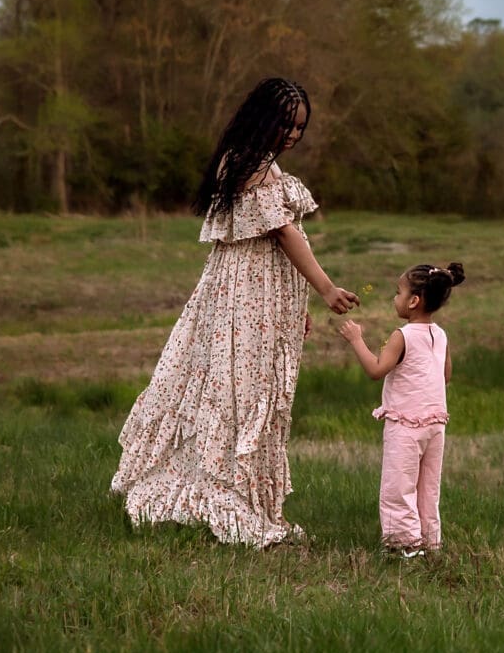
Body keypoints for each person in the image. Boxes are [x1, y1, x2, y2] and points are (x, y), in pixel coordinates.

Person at [110, 77, 359, 547]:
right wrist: (325, 289)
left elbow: (280, 242)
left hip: (263, 294)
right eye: (286, 123)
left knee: (252, 390)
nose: (293, 134)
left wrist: (294, 302)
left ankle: (247, 494)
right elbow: (284, 235)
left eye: (301, 127)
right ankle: (223, 490)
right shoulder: (249, 166)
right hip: (244, 295)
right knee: (235, 391)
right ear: (262, 117)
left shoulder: (261, 164)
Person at [340, 261, 464, 556]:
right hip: (435, 424)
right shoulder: (441, 335)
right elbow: (445, 376)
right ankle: (430, 541)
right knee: (427, 488)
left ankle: (404, 547)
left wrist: (356, 340)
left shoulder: (402, 335)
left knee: (399, 487)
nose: (394, 298)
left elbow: (376, 370)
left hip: (405, 426)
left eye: (398, 292)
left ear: (413, 301)